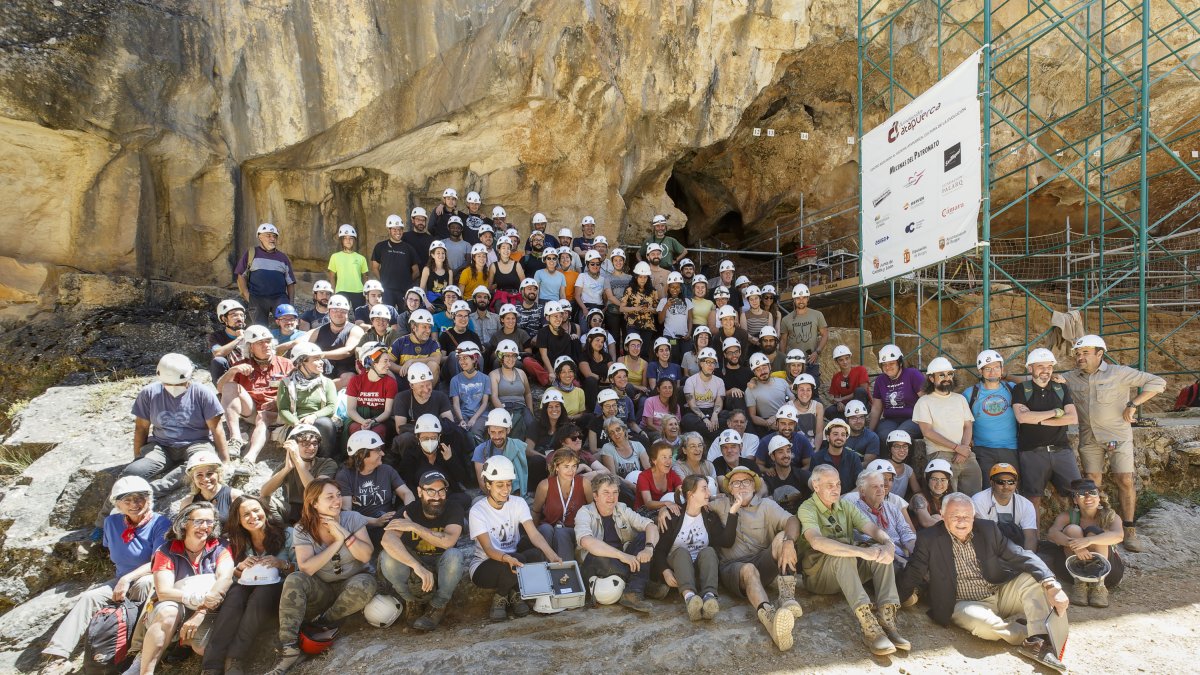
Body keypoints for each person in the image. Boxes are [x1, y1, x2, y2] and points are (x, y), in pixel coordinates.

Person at [897, 493, 1070, 673]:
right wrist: (893, 602)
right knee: (985, 628)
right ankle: (1034, 634)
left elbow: (1020, 555)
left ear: (974, 516)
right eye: (955, 516)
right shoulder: (928, 538)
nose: (961, 521)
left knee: (1032, 580)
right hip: (963, 603)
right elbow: (914, 572)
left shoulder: (988, 529)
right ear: (942, 515)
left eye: (966, 516)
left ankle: (1037, 640)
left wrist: (1052, 585)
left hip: (999, 591)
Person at [39, 478, 168, 674]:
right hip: (121, 580)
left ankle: (133, 649)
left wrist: (126, 579)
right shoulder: (111, 522)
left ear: (148, 499)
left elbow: (156, 562)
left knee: (144, 583)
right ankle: (58, 656)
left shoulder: (160, 523)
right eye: (127, 500)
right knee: (89, 598)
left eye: (139, 498)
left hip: (149, 578)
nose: (134, 504)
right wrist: (123, 579)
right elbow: (113, 551)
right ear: (118, 504)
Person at [1063, 334, 1166, 552]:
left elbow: (1158, 382)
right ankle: (1097, 528)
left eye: (1085, 353)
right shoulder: (1071, 377)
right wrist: (1006, 375)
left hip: (1118, 436)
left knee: (1125, 480)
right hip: (1089, 438)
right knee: (1092, 483)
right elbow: (1042, 377)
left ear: (1100, 354)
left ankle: (1129, 530)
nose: (1080, 357)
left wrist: (1133, 404)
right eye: (1077, 353)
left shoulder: (1119, 372)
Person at [269, 478, 377, 675]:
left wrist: (343, 533)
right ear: (314, 503)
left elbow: (365, 556)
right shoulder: (302, 529)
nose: (337, 501)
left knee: (365, 585)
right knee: (295, 579)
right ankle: (289, 648)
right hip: (323, 589)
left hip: (353, 582)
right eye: (330, 497)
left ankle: (320, 624)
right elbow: (307, 569)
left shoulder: (352, 518)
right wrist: (336, 543)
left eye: (338, 495)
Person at [798, 464, 907, 655]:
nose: (836, 489)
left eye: (838, 484)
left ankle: (886, 619)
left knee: (879, 552)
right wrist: (860, 552)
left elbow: (872, 529)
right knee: (844, 556)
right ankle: (869, 626)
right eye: (829, 485)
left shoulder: (845, 505)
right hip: (820, 577)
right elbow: (816, 541)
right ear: (816, 486)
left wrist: (888, 543)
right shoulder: (807, 508)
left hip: (848, 575)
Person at [705, 466, 801, 651]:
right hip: (733, 568)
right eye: (736, 483)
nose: (742, 486)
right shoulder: (721, 504)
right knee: (749, 569)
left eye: (746, 481)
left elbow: (792, 520)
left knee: (783, 537)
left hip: (762, 563)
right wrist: (665, 509)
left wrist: (789, 541)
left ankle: (787, 597)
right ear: (729, 488)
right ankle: (769, 618)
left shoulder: (766, 505)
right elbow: (694, 502)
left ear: (754, 486)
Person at [133, 502, 234, 674]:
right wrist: (195, 598)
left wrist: (201, 611)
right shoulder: (166, 550)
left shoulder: (221, 546)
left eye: (210, 522)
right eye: (199, 521)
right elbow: (164, 592)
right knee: (169, 612)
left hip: (208, 610)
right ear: (185, 523)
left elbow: (225, 578)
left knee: (202, 648)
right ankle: (145, 670)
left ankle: (179, 640)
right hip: (174, 606)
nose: (205, 527)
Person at [200, 495, 293, 675]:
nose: (253, 517)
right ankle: (211, 665)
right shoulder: (236, 540)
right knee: (235, 595)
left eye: (256, 510)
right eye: (246, 514)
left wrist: (282, 564)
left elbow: (302, 569)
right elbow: (232, 575)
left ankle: (235, 658)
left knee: (262, 592)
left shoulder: (288, 533)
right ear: (239, 520)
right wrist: (240, 568)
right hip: (247, 588)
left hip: (277, 591)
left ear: (264, 511)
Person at [122, 353, 228, 499]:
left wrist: (225, 461)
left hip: (197, 443)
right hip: (161, 446)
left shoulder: (202, 393)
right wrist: (138, 458)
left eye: (179, 384)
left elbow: (216, 429)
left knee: (201, 468)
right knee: (132, 472)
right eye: (168, 384)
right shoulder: (149, 394)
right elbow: (141, 428)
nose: (174, 388)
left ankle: (151, 491)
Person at [470, 456, 562, 621]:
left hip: (514, 558)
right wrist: (507, 558)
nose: (506, 490)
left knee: (537, 554)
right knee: (517, 560)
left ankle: (515, 592)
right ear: (488, 484)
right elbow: (488, 549)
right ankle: (501, 596)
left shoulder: (518, 502)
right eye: (500, 485)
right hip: (485, 565)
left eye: (508, 484)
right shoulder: (477, 511)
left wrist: (551, 555)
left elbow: (533, 534)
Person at [377, 470, 466, 631]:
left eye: (441, 491)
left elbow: (448, 542)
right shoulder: (408, 510)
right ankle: (412, 602)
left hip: (441, 563)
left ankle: (438, 605)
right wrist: (416, 566)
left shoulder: (454, 508)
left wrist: (414, 527)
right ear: (420, 492)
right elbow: (387, 540)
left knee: (455, 555)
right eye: (431, 491)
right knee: (387, 557)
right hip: (415, 566)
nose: (437, 497)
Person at [650, 474, 736, 621]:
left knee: (709, 551)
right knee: (681, 552)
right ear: (691, 494)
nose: (708, 493)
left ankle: (709, 598)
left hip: (700, 570)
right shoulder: (673, 517)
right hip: (677, 569)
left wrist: (733, 512)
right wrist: (665, 571)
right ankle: (690, 598)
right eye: (704, 489)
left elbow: (726, 541)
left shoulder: (709, 516)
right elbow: (659, 550)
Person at [575, 473, 665, 613]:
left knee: (644, 537)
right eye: (606, 492)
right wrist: (622, 556)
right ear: (595, 496)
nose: (611, 497)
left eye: (615, 492)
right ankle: (642, 584)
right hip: (596, 564)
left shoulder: (621, 508)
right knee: (598, 555)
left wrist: (649, 549)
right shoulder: (585, 512)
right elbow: (587, 542)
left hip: (622, 562)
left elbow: (650, 526)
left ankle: (632, 592)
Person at [1011, 348, 1082, 518]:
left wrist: (1038, 419)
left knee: (1078, 494)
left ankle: (1076, 531)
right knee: (1032, 499)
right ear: (1030, 368)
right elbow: (1022, 417)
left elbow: (1072, 418)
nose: (1046, 370)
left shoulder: (1061, 388)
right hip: (1032, 452)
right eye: (1040, 366)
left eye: (1049, 366)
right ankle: (1032, 535)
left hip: (1061, 450)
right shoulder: (1021, 389)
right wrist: (1055, 412)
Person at [217, 325, 293, 463]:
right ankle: (235, 438)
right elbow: (220, 389)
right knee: (229, 386)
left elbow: (297, 391)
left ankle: (249, 459)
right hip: (253, 411)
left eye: (268, 341)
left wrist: (278, 402)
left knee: (264, 416)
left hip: (279, 412)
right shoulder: (242, 365)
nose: (266, 345)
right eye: (260, 342)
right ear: (250, 347)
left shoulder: (286, 364)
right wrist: (232, 371)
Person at [1046, 478, 1124, 608]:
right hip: (1073, 570)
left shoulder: (1111, 516)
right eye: (1081, 494)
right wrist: (1075, 546)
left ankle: (1099, 586)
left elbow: (1119, 536)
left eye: (1092, 493)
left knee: (1094, 532)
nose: (1088, 497)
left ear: (1099, 497)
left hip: (1108, 573)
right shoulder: (1067, 516)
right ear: (1075, 500)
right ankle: (1080, 584)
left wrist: (1089, 540)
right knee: (1072, 530)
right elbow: (1052, 534)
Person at [912, 357, 981, 495]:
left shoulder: (960, 399)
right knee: (948, 498)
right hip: (940, 454)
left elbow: (968, 426)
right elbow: (927, 432)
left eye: (950, 374)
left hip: (965, 453)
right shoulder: (924, 402)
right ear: (931, 378)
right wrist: (957, 448)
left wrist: (963, 449)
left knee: (975, 494)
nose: (947, 378)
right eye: (942, 375)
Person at [336, 430, 415, 546]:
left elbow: (406, 493)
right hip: (362, 528)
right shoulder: (345, 476)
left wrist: (408, 513)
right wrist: (375, 522)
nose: (382, 453)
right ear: (362, 454)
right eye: (378, 450)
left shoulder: (387, 470)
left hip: (389, 523)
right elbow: (347, 511)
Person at [260, 424, 339, 525]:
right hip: (293, 510)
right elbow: (264, 493)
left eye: (315, 443)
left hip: (316, 510)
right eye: (305, 444)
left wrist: (297, 461)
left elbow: (317, 491)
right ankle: (282, 530)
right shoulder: (287, 465)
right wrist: (286, 469)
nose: (311, 448)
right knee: (263, 501)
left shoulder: (327, 463)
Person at [276, 342, 339, 460]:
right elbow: (283, 409)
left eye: (320, 359)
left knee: (325, 424)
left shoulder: (327, 382)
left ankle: (324, 460)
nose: (321, 362)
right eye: (316, 359)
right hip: (296, 424)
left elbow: (331, 407)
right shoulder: (286, 383)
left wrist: (314, 416)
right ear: (302, 362)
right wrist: (296, 423)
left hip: (320, 423)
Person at [396, 415, 472, 512]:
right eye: (425, 438)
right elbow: (407, 484)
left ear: (439, 437)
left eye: (433, 437)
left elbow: (460, 477)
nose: (429, 441)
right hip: (422, 498)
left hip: (445, 497)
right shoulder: (411, 454)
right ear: (417, 437)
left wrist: (450, 460)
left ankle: (439, 511)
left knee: (464, 499)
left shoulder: (446, 451)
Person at [964, 349, 1019, 480]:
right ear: (980, 371)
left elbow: (1031, 383)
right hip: (982, 449)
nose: (993, 372)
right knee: (987, 487)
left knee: (1011, 486)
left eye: (996, 367)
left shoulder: (1012, 388)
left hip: (1011, 448)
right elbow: (962, 420)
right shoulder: (970, 393)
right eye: (988, 368)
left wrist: (1007, 375)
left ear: (1002, 369)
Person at [531, 448, 593, 561]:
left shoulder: (584, 483)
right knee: (545, 529)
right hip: (549, 528)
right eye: (566, 466)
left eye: (574, 466)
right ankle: (544, 566)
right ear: (557, 467)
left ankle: (566, 569)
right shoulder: (545, 485)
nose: (571, 471)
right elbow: (536, 512)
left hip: (574, 530)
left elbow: (592, 511)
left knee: (561, 533)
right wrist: (533, 536)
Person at [847, 469, 917, 567]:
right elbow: (869, 542)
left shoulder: (891, 507)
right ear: (863, 491)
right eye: (875, 486)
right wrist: (899, 560)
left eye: (882, 485)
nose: (881, 490)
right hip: (880, 561)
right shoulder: (854, 512)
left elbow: (906, 532)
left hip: (903, 557)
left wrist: (917, 553)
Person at [234, 223, 295, 325]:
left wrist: (291, 303)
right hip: (257, 298)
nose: (272, 239)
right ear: (260, 237)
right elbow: (241, 275)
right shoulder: (251, 254)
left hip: (279, 298)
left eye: (274, 236)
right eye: (268, 235)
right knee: (260, 329)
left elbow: (290, 282)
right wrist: (246, 295)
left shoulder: (283, 257)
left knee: (286, 325)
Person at [972, 463, 1038, 550]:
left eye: (1011, 482)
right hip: (989, 546)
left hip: (1017, 548)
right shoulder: (979, 500)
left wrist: (1028, 557)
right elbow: (983, 535)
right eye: (1001, 482)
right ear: (992, 483)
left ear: (1016, 484)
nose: (1006, 486)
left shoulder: (1026, 504)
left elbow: (1030, 537)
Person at [306, 294, 365, 388]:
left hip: (346, 368)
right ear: (329, 312)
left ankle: (319, 389)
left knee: (350, 378)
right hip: (322, 367)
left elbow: (348, 351)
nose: (338, 313)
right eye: (335, 310)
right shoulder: (318, 331)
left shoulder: (355, 330)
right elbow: (304, 347)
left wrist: (321, 354)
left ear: (347, 313)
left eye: (343, 311)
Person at [868, 344, 925, 439]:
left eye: (891, 363)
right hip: (890, 420)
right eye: (884, 364)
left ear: (900, 363)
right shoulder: (880, 380)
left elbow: (926, 399)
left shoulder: (913, 374)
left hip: (913, 419)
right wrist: (870, 432)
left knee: (900, 436)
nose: (887, 367)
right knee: (883, 436)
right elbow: (876, 408)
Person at [472, 409, 533, 495]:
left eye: (500, 432)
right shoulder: (481, 450)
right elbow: (482, 483)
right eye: (493, 432)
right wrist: (498, 499)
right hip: (489, 495)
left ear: (508, 430)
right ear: (488, 431)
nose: (497, 437)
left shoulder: (517, 446)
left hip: (515, 494)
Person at [345, 341, 396, 442]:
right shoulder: (355, 381)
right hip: (359, 418)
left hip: (380, 419)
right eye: (385, 361)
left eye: (389, 361)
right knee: (356, 429)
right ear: (371, 362)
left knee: (377, 431)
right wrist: (363, 422)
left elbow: (387, 411)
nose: (389, 365)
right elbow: (351, 409)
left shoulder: (390, 383)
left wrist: (373, 421)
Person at [779, 284, 827, 384]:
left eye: (804, 297)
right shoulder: (786, 319)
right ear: (794, 299)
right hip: (793, 363)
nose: (801, 301)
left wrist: (817, 352)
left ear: (808, 298)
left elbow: (825, 335)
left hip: (811, 361)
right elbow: (783, 341)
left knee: (813, 388)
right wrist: (784, 361)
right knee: (793, 389)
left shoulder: (817, 315)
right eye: (798, 298)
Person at [177, 450, 243, 523]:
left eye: (209, 473)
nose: (205, 479)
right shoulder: (187, 503)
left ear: (218, 474)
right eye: (199, 475)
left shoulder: (236, 496)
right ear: (193, 478)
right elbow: (181, 528)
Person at [490, 339, 537, 442]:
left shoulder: (521, 373)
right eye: (507, 356)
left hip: (522, 407)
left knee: (532, 427)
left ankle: (528, 450)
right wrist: (504, 414)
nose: (511, 359)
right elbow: (494, 396)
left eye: (513, 356)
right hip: (504, 407)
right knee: (512, 428)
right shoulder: (494, 374)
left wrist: (530, 412)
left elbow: (528, 393)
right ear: (501, 357)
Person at [371, 214, 419, 306]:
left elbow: (416, 271)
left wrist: (406, 282)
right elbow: (374, 268)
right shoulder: (380, 247)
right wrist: (383, 281)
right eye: (394, 229)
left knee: (404, 314)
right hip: (386, 291)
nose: (398, 232)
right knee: (387, 313)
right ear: (389, 230)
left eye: (400, 229)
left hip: (404, 291)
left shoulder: (409, 248)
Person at [449, 341, 491, 446]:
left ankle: (481, 455)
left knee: (475, 432)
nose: (462, 361)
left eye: (465, 358)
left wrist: (473, 419)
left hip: (481, 415)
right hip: (462, 414)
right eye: (460, 358)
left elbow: (484, 403)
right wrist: (461, 420)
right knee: (460, 433)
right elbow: (456, 404)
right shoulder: (455, 380)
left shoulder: (485, 378)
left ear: (474, 358)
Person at [389, 309, 443, 386]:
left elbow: (437, 359)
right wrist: (402, 369)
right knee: (384, 370)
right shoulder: (400, 341)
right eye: (424, 327)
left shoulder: (433, 343)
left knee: (434, 365)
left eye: (429, 327)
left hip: (425, 382)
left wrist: (411, 362)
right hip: (404, 379)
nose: (428, 331)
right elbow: (388, 361)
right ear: (414, 327)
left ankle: (426, 392)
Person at [755, 404, 814, 473]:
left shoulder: (802, 440)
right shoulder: (765, 442)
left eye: (790, 424)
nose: (787, 427)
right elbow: (758, 465)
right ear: (777, 423)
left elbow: (808, 464)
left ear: (795, 424)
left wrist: (796, 475)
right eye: (783, 423)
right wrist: (767, 470)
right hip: (773, 477)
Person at [809, 419, 863, 494]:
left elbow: (861, 484)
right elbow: (813, 485)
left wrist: (844, 498)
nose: (839, 437)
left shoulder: (853, 457)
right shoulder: (817, 458)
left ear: (846, 438)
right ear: (828, 437)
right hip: (825, 498)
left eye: (843, 435)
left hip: (848, 499)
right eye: (835, 434)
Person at [682, 347, 724, 442]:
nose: (711, 365)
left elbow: (719, 401)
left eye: (713, 362)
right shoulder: (690, 381)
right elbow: (692, 404)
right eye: (708, 362)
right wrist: (704, 418)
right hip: (695, 413)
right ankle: (718, 438)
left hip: (711, 410)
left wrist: (715, 414)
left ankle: (706, 434)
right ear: (701, 363)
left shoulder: (719, 381)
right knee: (687, 420)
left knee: (728, 417)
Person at [745, 352, 792, 436]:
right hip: (770, 426)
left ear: (770, 367)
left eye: (764, 367)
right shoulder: (750, 390)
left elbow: (793, 401)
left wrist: (777, 416)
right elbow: (752, 416)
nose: (762, 371)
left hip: (789, 418)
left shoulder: (782, 382)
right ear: (754, 372)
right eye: (758, 370)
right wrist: (767, 423)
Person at [761, 435, 811, 511]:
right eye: (780, 452)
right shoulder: (767, 479)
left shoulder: (802, 475)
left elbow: (817, 486)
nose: (786, 455)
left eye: (788, 451)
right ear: (772, 456)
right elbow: (759, 495)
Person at [326, 224, 369, 310]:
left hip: (359, 291)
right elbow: (332, 277)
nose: (348, 241)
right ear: (341, 240)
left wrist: (366, 293)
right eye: (345, 238)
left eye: (351, 238)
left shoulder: (361, 258)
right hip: (341, 290)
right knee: (341, 315)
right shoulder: (335, 257)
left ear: (354, 240)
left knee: (360, 315)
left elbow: (365, 277)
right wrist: (333, 293)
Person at [636, 441, 683, 513]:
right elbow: (648, 503)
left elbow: (681, 490)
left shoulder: (672, 474)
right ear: (654, 460)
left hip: (666, 510)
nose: (668, 461)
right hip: (644, 513)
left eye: (670, 457)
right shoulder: (643, 477)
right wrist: (666, 503)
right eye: (664, 457)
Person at [209, 299, 247, 383]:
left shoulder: (250, 334)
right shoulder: (216, 336)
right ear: (224, 319)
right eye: (234, 315)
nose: (239, 318)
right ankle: (222, 389)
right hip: (228, 375)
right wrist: (239, 338)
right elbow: (217, 353)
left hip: (247, 371)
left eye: (242, 315)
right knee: (218, 361)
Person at [620, 263, 659, 344]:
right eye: (640, 277)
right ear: (636, 277)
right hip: (633, 324)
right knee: (633, 347)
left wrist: (651, 309)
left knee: (644, 350)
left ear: (648, 278)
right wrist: (636, 308)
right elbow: (621, 308)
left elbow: (657, 310)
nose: (643, 279)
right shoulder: (629, 290)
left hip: (648, 326)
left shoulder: (653, 291)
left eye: (645, 277)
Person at [828, 344, 871, 416]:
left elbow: (863, 390)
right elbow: (836, 397)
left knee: (859, 391)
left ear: (850, 358)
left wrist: (842, 399)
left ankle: (859, 417)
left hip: (863, 404)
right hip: (847, 406)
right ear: (836, 362)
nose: (845, 362)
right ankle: (847, 420)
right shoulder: (836, 377)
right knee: (829, 411)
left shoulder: (861, 370)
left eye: (847, 358)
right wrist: (839, 403)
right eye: (841, 360)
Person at [911, 458, 953, 530]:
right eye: (934, 479)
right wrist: (953, 526)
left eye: (943, 480)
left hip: (941, 533)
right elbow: (926, 522)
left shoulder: (950, 498)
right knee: (937, 517)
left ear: (948, 483)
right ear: (927, 481)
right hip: (920, 535)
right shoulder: (919, 498)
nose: (939, 484)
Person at [881, 430, 921, 497]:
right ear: (890, 449)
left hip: (899, 503)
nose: (902, 450)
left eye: (905, 446)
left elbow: (917, 492)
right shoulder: (881, 466)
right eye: (897, 446)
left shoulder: (908, 470)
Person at [641, 377, 682, 442]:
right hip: (650, 430)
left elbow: (677, 425)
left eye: (670, 387)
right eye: (664, 387)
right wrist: (665, 432)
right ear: (658, 389)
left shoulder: (676, 406)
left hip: (668, 431)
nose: (668, 390)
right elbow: (649, 424)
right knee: (660, 437)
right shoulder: (650, 401)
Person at [790, 373, 824, 448]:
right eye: (801, 389)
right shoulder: (789, 407)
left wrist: (816, 450)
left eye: (808, 390)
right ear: (796, 391)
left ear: (812, 391)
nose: (805, 393)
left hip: (813, 444)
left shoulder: (818, 406)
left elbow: (819, 433)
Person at [419, 240, 453, 310]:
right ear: (432, 255)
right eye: (438, 253)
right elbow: (421, 289)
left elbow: (450, 292)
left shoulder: (449, 271)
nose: (441, 255)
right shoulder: (427, 269)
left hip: (444, 304)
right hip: (430, 303)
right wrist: (426, 302)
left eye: (443, 253)